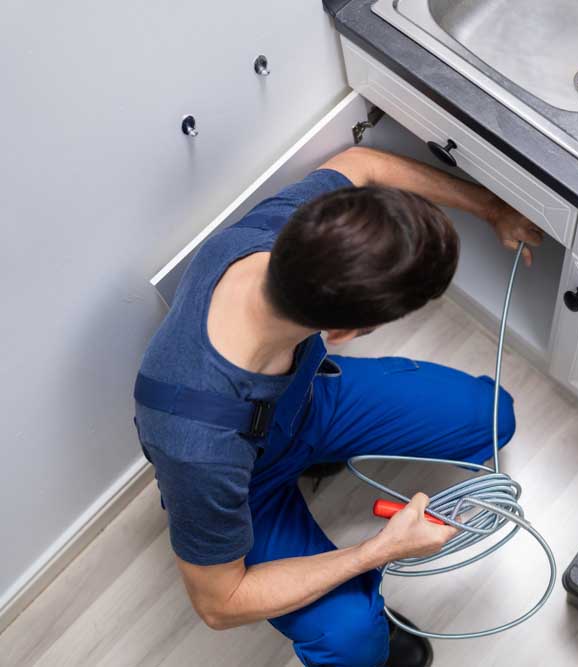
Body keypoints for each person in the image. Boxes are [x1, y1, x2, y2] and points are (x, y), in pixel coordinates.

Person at [132, 146, 544, 667]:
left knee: (491, 418)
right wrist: (380, 551)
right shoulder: (197, 448)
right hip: (246, 480)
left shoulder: (288, 232)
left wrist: (492, 208)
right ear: (344, 333)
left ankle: (318, 455)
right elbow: (220, 604)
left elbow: (363, 162)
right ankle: (366, 636)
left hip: (309, 401)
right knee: (352, 640)